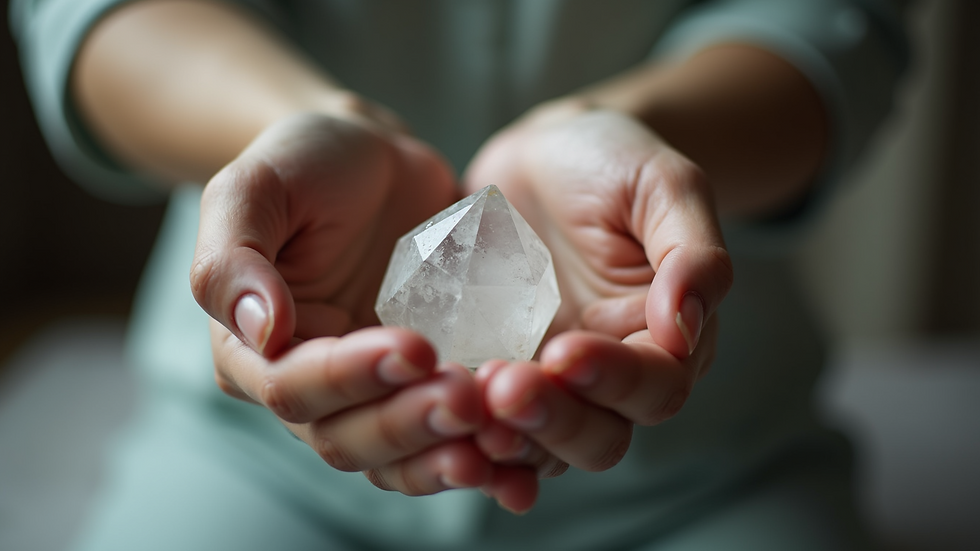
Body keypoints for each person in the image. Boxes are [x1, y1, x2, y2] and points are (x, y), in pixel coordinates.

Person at [11, 0, 907, 549]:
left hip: (710, 453)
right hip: (257, 437)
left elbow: (841, 22)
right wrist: (295, 123)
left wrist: (644, 137)